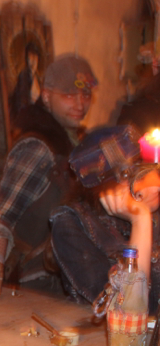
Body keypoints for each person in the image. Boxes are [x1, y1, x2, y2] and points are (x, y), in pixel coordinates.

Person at [0, 54, 98, 283]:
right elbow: (2, 218)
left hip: (68, 277)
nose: (80, 104)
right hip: (33, 283)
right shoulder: (37, 148)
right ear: (46, 96)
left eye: (85, 94)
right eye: (69, 95)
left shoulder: (77, 144)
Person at [50, 125, 160, 314]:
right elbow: (128, 310)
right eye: (137, 176)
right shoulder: (70, 223)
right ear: (105, 186)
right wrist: (140, 220)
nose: (155, 184)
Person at [10, 42, 42, 121]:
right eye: (30, 57)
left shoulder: (38, 79)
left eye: (35, 57)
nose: (33, 61)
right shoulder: (24, 76)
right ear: (26, 59)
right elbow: (22, 103)